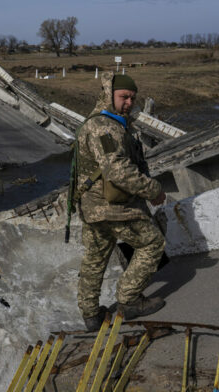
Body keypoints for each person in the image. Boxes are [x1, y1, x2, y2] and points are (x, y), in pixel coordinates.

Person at [76, 72, 167, 330]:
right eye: (123, 96)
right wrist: (153, 190)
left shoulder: (104, 123)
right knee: (152, 242)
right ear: (109, 95)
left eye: (132, 98)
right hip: (112, 208)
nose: (128, 102)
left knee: (95, 259)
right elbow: (117, 171)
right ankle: (129, 300)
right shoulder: (104, 127)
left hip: (93, 208)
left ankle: (91, 315)